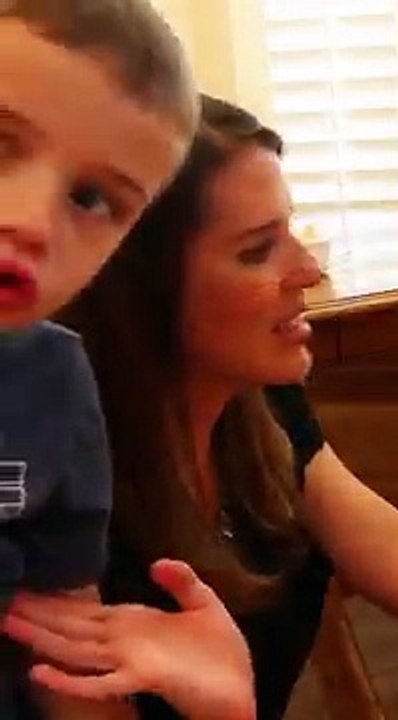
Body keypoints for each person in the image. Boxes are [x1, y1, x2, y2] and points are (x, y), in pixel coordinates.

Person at [3, 94, 398, 720]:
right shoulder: (56, 498)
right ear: (138, 291)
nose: (310, 270)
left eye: (290, 231)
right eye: (258, 249)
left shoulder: (263, 410)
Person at [0, 2, 242, 717]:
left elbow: (67, 659)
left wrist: (225, 705)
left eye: (94, 198)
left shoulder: (54, 383)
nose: (34, 220)